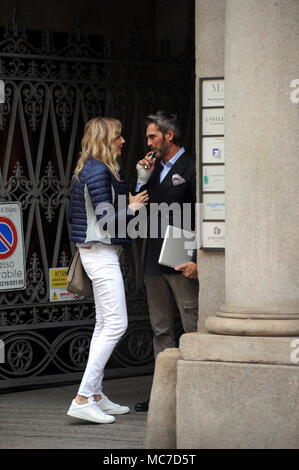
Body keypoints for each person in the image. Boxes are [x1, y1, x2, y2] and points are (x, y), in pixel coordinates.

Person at [67, 117, 148, 424]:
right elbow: (107, 219)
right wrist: (132, 209)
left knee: (104, 324)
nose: (123, 141)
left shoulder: (94, 168)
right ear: (106, 138)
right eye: (119, 136)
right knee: (116, 324)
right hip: (100, 251)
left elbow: (109, 204)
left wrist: (140, 178)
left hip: (96, 251)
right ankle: (84, 397)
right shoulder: (99, 170)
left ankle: (96, 394)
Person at [134, 111, 199, 412]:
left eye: (152, 136)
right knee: (160, 328)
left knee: (191, 324)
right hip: (153, 257)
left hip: (180, 254)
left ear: (169, 135)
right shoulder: (153, 167)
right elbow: (136, 209)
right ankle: (164, 393)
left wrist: (198, 258)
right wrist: (141, 179)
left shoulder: (192, 165)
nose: (148, 142)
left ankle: (196, 390)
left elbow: (203, 213)